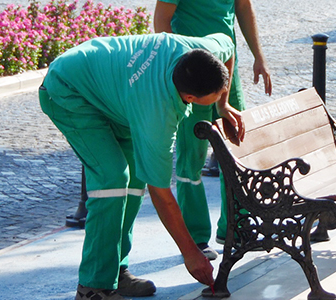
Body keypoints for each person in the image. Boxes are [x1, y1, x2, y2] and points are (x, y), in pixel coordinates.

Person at [39, 32, 245, 300]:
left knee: (135, 178)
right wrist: (191, 253)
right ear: (190, 98)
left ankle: (115, 271)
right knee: (112, 179)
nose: (218, 97)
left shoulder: (200, 52)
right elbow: (161, 193)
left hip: (117, 95)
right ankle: (93, 286)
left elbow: (227, 47)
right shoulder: (157, 115)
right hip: (69, 90)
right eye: (213, 96)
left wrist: (222, 103)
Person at [154, 0, 272, 259]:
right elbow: (161, 20)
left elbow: (243, 6)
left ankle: (235, 227)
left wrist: (258, 56)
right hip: (191, 76)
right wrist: (177, 66)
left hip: (227, 70)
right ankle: (196, 238)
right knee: (191, 157)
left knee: (234, 151)